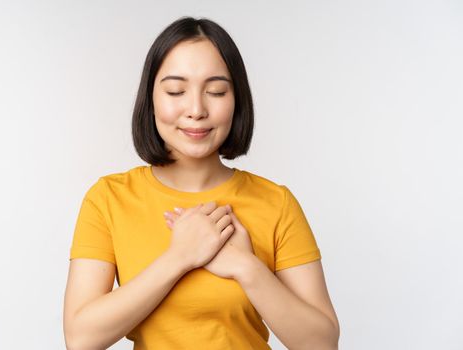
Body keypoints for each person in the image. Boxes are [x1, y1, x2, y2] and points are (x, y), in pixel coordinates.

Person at [63, 16, 340, 350]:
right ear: (150, 98)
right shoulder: (108, 199)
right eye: (176, 91)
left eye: (216, 91)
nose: (196, 109)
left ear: (237, 100)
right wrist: (180, 256)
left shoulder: (276, 203)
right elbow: (80, 338)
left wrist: (245, 267)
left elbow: (322, 343)